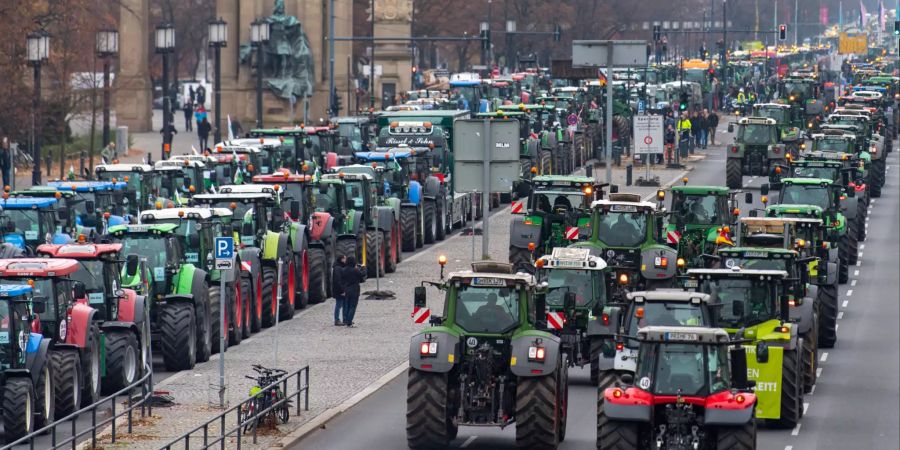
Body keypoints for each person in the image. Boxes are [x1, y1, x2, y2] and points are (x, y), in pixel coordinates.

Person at [341, 256, 366, 327]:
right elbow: (362, 274)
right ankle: (349, 322)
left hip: (347, 289)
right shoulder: (355, 270)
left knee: (348, 306)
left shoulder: (343, 270)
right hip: (355, 290)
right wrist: (363, 267)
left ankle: (346, 320)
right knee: (353, 306)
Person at [332, 255, 347, 326]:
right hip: (339, 291)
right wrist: (342, 290)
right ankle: (337, 320)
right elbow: (338, 281)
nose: (346, 260)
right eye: (345, 259)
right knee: (339, 305)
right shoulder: (337, 268)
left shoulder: (340, 267)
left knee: (344, 305)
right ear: (341, 259)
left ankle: (345, 319)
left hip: (342, 289)